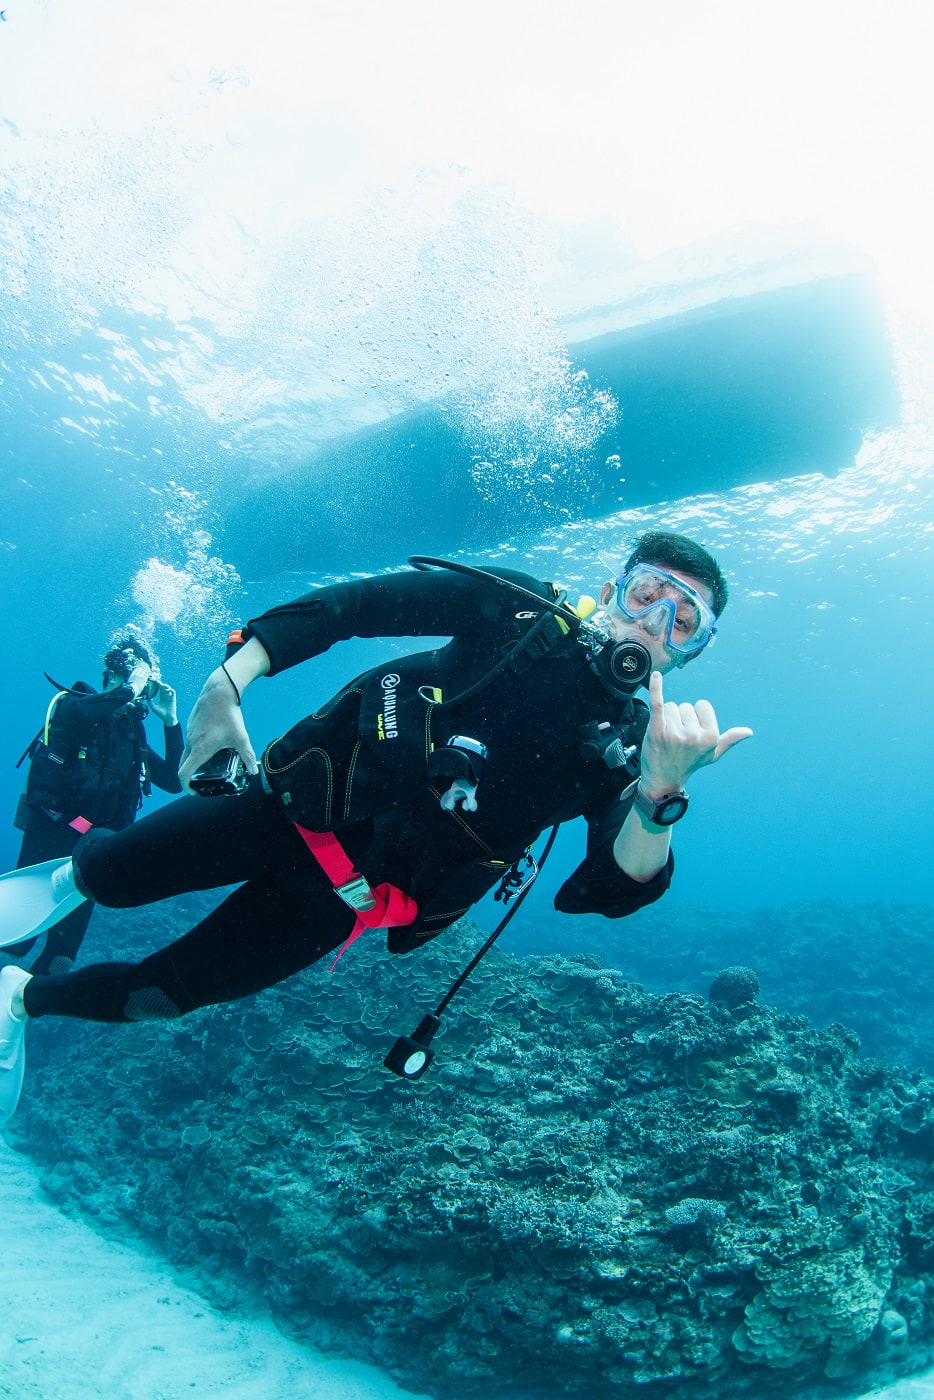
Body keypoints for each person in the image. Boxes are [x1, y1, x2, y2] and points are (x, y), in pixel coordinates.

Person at [0, 532, 752, 1121]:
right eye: (648, 594)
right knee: (113, 880)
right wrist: (226, 679)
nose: (655, 624)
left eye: (683, 623)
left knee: (156, 999)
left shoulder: (633, 747)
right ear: (609, 592)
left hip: (349, 901)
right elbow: (354, 606)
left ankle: (20, 998)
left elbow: (613, 887)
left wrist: (659, 795)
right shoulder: (519, 611)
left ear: (688, 654)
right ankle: (73, 874)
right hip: (282, 812)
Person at [6, 637, 184, 976]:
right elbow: (84, 713)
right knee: (16, 939)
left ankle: (19, 1005)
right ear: (112, 678)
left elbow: (174, 781)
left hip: (95, 849)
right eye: (135, 681)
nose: (139, 693)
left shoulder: (133, 733)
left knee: (61, 959)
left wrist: (170, 720)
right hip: (52, 832)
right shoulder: (74, 704)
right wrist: (131, 687)